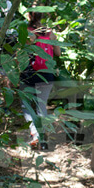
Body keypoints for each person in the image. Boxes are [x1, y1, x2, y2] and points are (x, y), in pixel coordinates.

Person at [20, 11, 61, 150]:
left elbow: (22, 51)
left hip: (29, 72)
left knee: (27, 105)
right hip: (47, 73)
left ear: (29, 16)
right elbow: (58, 53)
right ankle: (42, 139)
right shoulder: (51, 33)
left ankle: (35, 135)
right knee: (41, 106)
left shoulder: (27, 32)